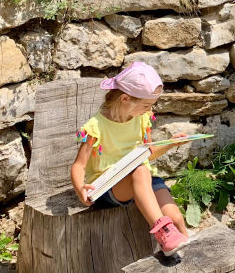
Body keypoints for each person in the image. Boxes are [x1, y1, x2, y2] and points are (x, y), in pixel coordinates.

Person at [70, 62, 190, 256]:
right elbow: (78, 166)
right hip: (110, 186)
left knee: (176, 218)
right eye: (146, 105)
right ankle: (162, 231)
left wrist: (171, 143)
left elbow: (148, 152)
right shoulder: (96, 127)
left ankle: (182, 252)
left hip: (143, 180)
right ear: (125, 99)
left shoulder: (142, 118)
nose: (149, 109)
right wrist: (80, 188)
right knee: (141, 171)